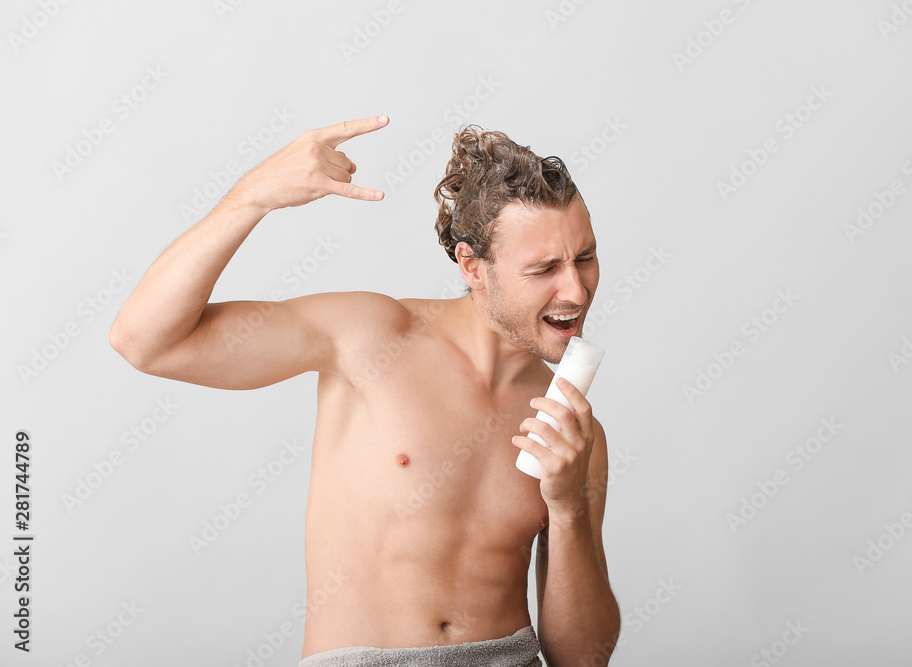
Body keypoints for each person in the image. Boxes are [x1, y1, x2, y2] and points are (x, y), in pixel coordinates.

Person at [110, 114, 620, 666]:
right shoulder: (369, 336)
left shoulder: (573, 432)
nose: (576, 289)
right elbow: (146, 341)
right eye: (543, 268)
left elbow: (582, 660)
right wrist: (253, 197)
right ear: (473, 266)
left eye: (585, 258)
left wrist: (567, 507)